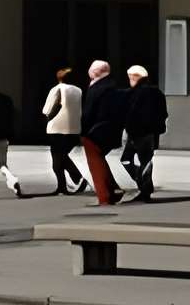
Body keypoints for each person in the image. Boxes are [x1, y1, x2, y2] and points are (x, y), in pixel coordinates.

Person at [78, 59, 127, 205]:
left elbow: (88, 112)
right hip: (110, 130)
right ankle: (113, 189)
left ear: (95, 72)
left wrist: (82, 130)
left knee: (95, 164)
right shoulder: (113, 86)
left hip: (94, 131)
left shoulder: (96, 88)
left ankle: (104, 196)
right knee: (101, 159)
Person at [119, 62, 167, 203]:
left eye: (131, 77)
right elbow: (163, 113)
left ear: (136, 77)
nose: (129, 80)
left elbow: (130, 113)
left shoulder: (135, 93)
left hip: (138, 132)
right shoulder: (157, 92)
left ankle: (144, 189)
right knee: (144, 161)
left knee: (132, 160)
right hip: (150, 133)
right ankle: (144, 186)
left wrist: (128, 128)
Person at [40, 65, 88, 194]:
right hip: (74, 129)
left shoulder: (57, 89)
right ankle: (70, 183)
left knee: (57, 159)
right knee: (62, 156)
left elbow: (47, 109)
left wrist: (47, 116)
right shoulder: (78, 91)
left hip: (56, 127)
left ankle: (70, 182)